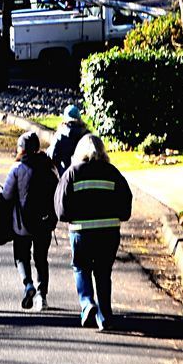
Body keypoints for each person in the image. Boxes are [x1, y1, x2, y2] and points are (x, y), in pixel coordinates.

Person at [55, 134, 132, 331]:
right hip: (108, 231)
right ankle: (105, 315)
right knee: (103, 272)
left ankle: (87, 303)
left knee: (81, 267)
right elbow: (125, 205)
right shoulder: (113, 173)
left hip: (81, 232)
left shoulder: (72, 173)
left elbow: (61, 208)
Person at [1, 130, 58, 311]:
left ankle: (28, 285)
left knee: (21, 256)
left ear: (22, 149)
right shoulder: (49, 166)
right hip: (44, 221)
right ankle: (42, 297)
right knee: (41, 258)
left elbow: (6, 195)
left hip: (22, 224)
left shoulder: (17, 169)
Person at [48, 104, 89, 174]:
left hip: (66, 173)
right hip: (84, 172)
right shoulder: (86, 134)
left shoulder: (60, 135)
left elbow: (51, 155)